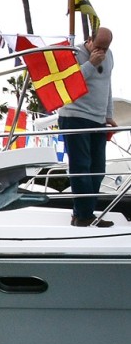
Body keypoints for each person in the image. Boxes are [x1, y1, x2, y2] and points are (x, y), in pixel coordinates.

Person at [59, 26, 115, 227]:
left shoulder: (109, 56)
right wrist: (91, 64)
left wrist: (109, 115)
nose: (101, 52)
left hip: (98, 119)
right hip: (75, 116)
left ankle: (82, 213)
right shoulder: (74, 53)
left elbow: (107, 85)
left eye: (105, 48)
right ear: (89, 40)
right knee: (81, 165)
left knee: (98, 169)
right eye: (98, 47)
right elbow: (69, 82)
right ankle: (85, 216)